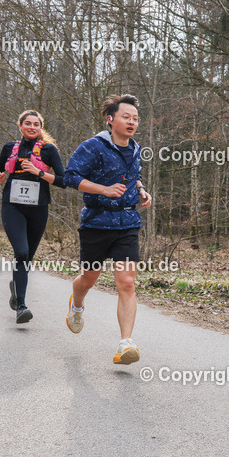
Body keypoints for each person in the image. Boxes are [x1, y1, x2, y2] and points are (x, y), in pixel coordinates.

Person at [63, 94, 152, 365]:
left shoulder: (135, 148)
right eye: (126, 117)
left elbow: (133, 176)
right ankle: (76, 304)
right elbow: (70, 176)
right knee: (89, 278)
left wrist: (141, 190)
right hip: (96, 223)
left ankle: (126, 344)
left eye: (135, 118)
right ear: (110, 119)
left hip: (127, 222)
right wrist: (103, 189)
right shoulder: (93, 146)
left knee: (126, 283)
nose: (132, 122)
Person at [0, 110, 66, 324]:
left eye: (36, 124)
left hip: (38, 208)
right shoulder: (9, 147)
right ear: (20, 125)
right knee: (21, 252)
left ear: (41, 127)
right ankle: (21, 307)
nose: (32, 127)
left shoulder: (49, 150)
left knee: (27, 258)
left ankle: (16, 289)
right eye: (28, 123)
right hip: (12, 206)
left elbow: (62, 180)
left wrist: (38, 172)